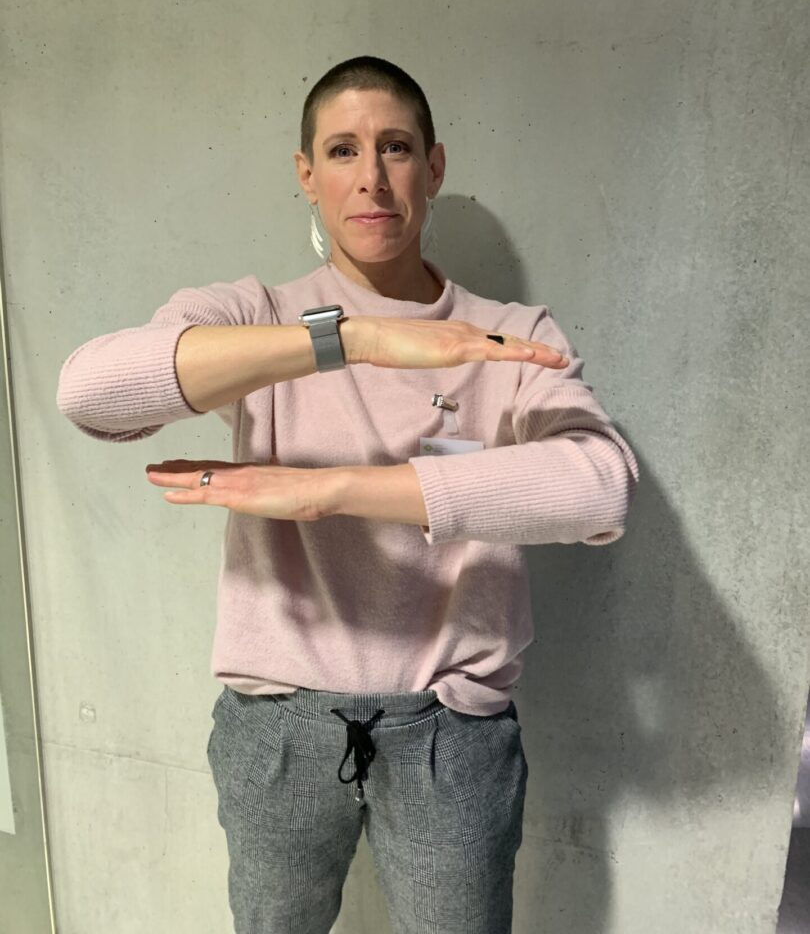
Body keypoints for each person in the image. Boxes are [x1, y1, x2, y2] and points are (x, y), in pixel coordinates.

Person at [56, 55, 639, 933]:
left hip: (452, 733)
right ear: (306, 174)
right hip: (278, 727)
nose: (370, 176)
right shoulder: (255, 315)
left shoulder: (509, 335)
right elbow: (89, 393)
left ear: (433, 167)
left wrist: (335, 490)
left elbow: (600, 487)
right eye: (341, 150)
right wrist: (349, 340)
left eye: (395, 147)